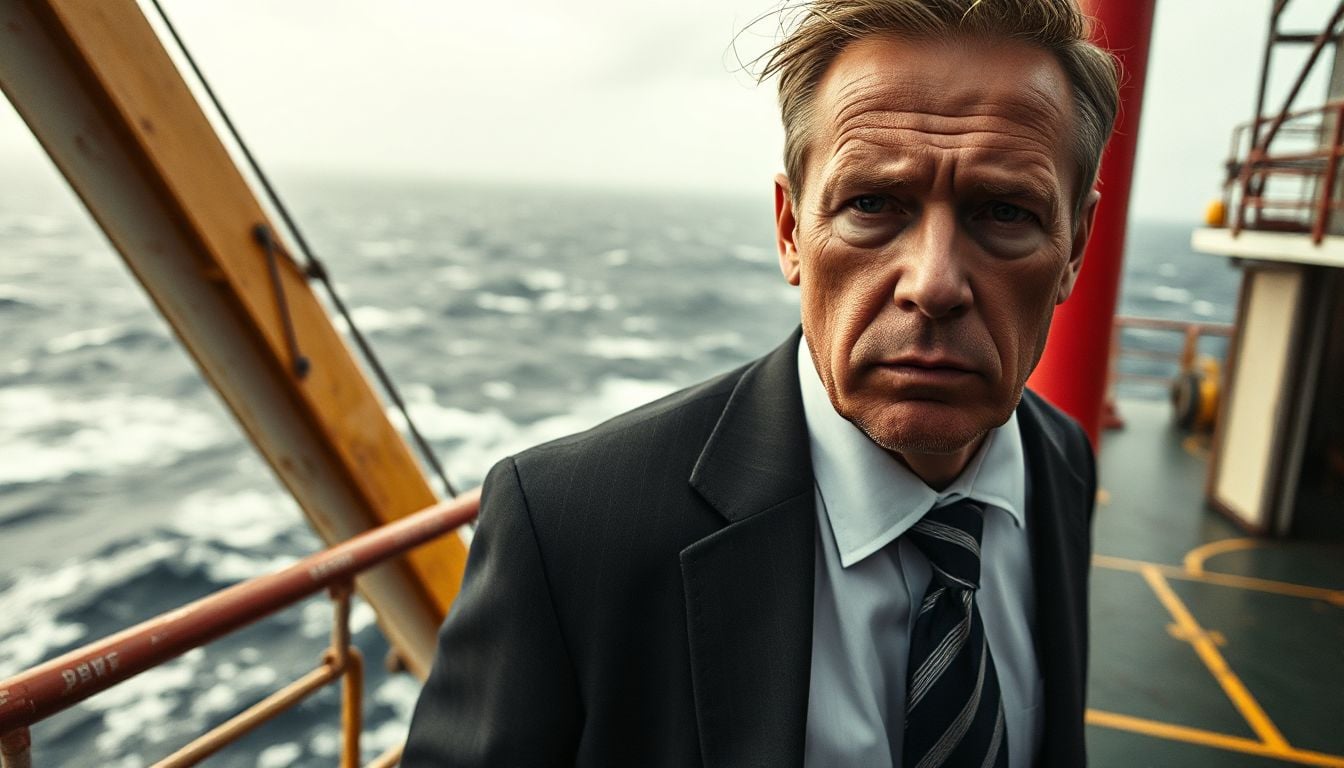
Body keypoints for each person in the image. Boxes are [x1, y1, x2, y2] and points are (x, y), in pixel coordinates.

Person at [404, 0, 1117, 765]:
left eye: (1005, 212)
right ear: (790, 230)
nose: (933, 283)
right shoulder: (568, 530)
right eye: (872, 204)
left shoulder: (1059, 460)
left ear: (1074, 246)